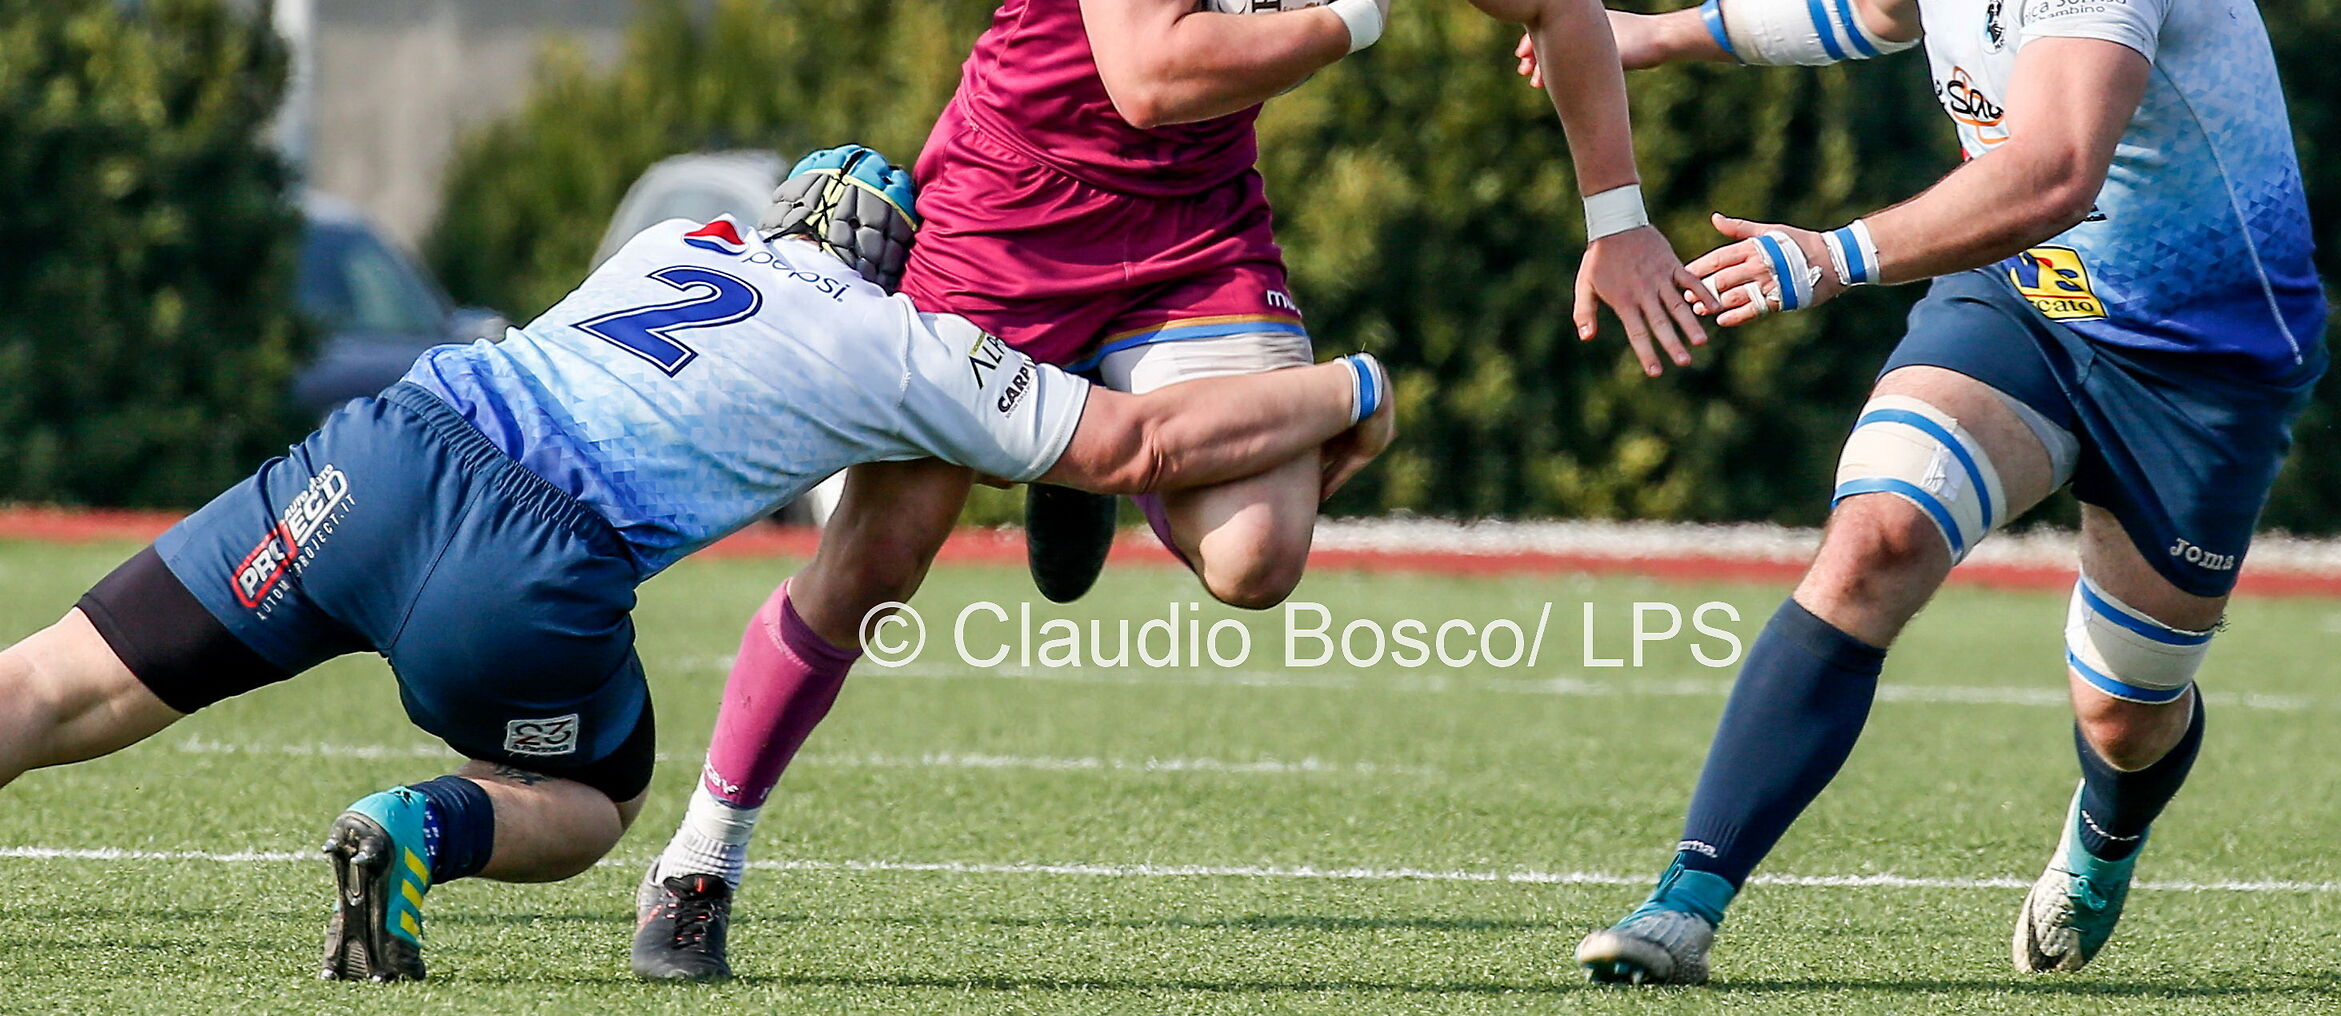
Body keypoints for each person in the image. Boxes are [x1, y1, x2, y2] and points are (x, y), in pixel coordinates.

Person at [631, 0, 1709, 981]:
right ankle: (701, 858)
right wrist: (1346, 23)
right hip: (1002, 229)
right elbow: (1145, 77)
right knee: (884, 550)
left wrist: (1617, 218)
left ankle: (1085, 466)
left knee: (1258, 561)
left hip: (1192, 242)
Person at [0, 147, 1394, 983]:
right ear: (897, 264)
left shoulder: (685, 241)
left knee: (60, 684)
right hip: (526, 561)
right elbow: (1142, 444)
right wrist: (1350, 392)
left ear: (785, 216)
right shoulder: (898, 340)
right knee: (592, 795)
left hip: (380, 454)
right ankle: (417, 831)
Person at [1552, 0, 2325, 986]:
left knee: (2128, 713)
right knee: (1878, 540)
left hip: (2197, 364)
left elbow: (2050, 172)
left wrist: (1830, 257)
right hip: (2023, 307)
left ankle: (2104, 833)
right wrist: (1660, 32)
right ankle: (1687, 901)